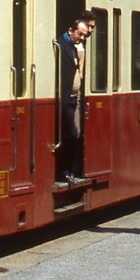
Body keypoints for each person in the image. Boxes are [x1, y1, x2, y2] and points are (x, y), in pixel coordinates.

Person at [55, 18, 89, 186]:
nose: (82, 38)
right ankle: (64, 172)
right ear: (70, 31)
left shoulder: (72, 47)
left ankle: (67, 172)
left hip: (71, 99)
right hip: (65, 99)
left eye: (84, 35)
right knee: (71, 136)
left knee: (72, 136)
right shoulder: (61, 46)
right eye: (79, 34)